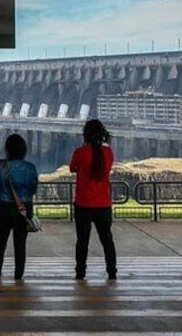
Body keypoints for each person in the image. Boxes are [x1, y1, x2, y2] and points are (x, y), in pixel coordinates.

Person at [70, 119, 117, 281]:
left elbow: (72, 168)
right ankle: (112, 270)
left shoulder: (80, 152)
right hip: (103, 203)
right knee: (107, 239)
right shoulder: (108, 153)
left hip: (83, 203)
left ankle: (80, 271)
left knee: (82, 240)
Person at [0, 133, 38, 281]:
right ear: (24, 150)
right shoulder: (30, 167)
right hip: (23, 208)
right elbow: (33, 189)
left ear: (7, 149)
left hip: (3, 207)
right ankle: (18, 276)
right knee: (20, 244)